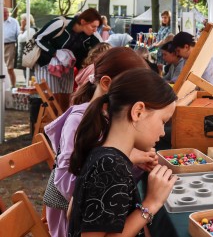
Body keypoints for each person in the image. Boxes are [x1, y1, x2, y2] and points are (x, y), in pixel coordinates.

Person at [44, 47, 156, 237]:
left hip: (101, 214)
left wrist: (139, 163)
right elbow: (67, 185)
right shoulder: (78, 121)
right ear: (106, 83)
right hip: (72, 221)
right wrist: (127, 157)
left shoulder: (110, 117)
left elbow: (113, 178)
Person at [68, 68, 178, 236]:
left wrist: (129, 159)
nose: (163, 132)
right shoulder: (111, 167)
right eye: (163, 121)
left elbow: (72, 213)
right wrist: (151, 203)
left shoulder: (103, 155)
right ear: (138, 112)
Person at [34, 8, 103, 111]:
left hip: (67, 67)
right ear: (83, 22)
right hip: (47, 65)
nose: (95, 30)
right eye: (93, 26)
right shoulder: (60, 23)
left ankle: (63, 123)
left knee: (66, 99)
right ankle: (52, 124)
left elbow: (102, 48)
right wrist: (54, 52)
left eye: (97, 27)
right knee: (53, 100)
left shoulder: (92, 35)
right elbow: (38, 38)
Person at [3, 7, 20, 88]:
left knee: (10, 68)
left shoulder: (14, 21)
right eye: (4, 13)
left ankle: (13, 86)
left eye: (7, 12)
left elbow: (18, 34)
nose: (6, 14)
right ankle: (3, 86)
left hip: (10, 45)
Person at [17, 13, 37, 77]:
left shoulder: (30, 30)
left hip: (28, 57)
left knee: (29, 76)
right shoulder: (28, 29)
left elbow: (21, 39)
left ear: (25, 21)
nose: (20, 21)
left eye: (22, 19)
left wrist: (21, 29)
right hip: (27, 56)